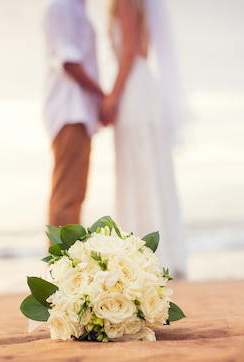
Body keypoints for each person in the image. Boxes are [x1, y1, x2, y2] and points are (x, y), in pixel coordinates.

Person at [101, 0, 187, 278]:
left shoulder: (125, 2)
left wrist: (112, 97)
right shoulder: (141, 6)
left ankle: (144, 259)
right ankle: (162, 255)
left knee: (136, 170)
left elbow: (129, 52)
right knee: (149, 169)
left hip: (134, 91)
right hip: (144, 87)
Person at [42, 0, 105, 229]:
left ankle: (67, 263)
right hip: (70, 110)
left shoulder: (75, 7)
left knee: (74, 195)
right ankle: (60, 264)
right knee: (67, 197)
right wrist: (103, 98)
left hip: (79, 111)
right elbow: (68, 60)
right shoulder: (63, 6)